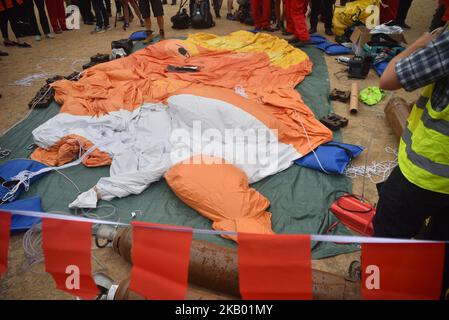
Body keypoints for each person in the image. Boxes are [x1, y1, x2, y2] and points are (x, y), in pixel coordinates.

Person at [376, 26, 449, 243]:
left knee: (387, 236)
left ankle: (381, 277)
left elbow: (389, 79)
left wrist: (421, 43)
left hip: (429, 173)